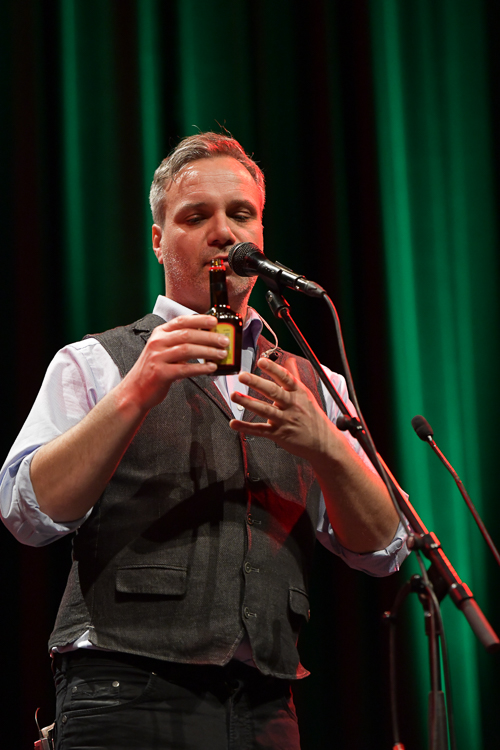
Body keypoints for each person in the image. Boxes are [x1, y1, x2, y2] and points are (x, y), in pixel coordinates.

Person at [0, 133, 408, 750]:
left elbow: (384, 549)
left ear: (261, 234)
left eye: (241, 214)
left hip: (266, 703)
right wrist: (136, 393)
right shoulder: (96, 362)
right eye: (195, 217)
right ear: (158, 238)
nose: (223, 233)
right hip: (124, 693)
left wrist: (324, 444)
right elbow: (26, 514)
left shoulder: (314, 383)